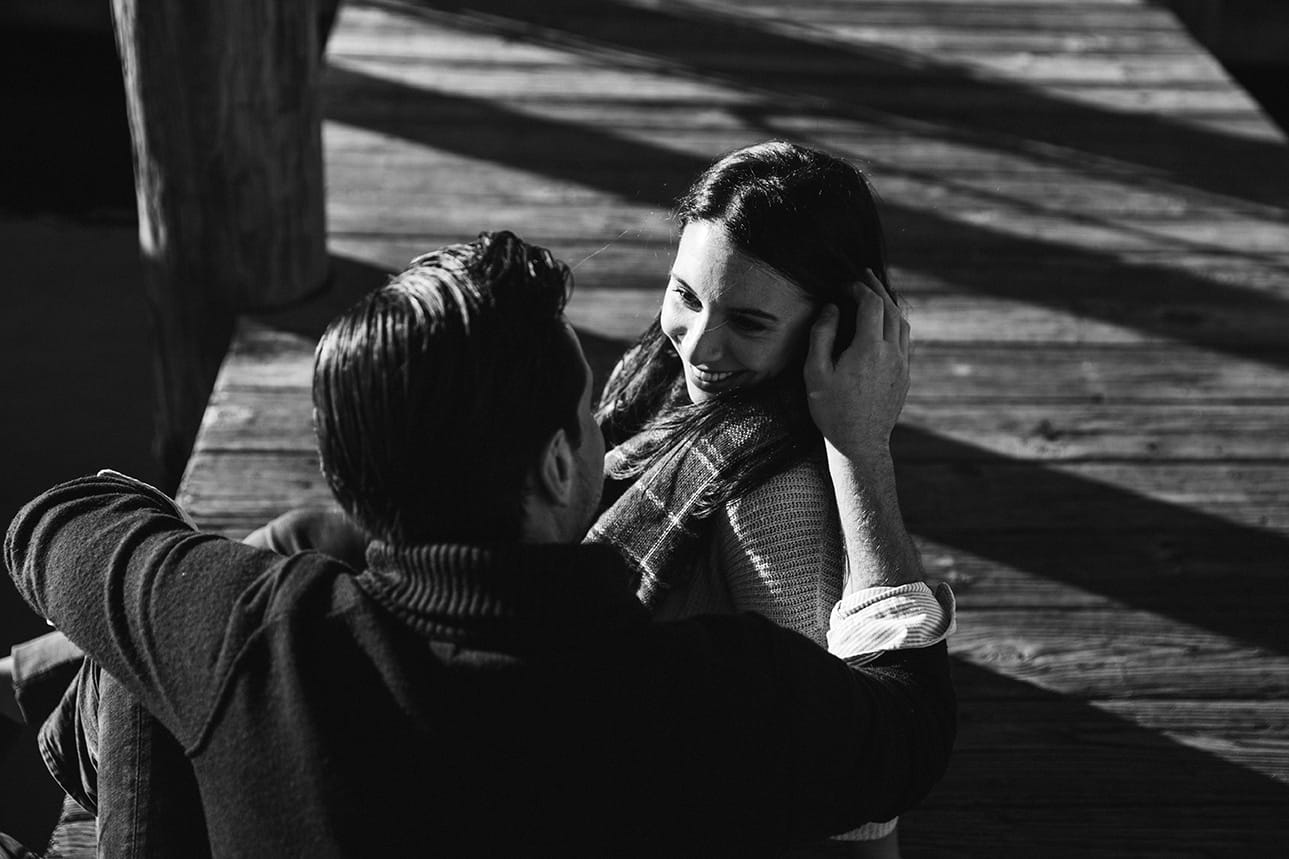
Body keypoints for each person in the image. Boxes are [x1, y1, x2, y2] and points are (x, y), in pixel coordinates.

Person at [6, 231, 954, 855]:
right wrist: (858, 444)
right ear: (553, 468)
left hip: (233, 642)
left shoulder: (255, 632)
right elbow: (908, 722)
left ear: (349, 478)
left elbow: (54, 523)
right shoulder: (712, 697)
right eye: (591, 419)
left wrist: (172, 576)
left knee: (140, 646)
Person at [587, 141, 908, 853]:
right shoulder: (654, 378)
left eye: (750, 322)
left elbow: (847, 779)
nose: (698, 347)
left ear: (833, 328)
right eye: (686, 295)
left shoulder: (773, 497)